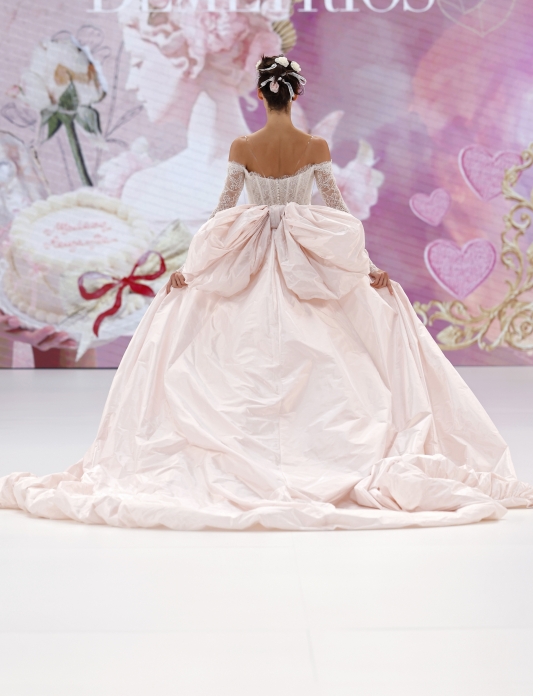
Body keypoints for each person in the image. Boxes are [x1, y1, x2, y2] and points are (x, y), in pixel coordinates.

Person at [1, 55, 532, 530]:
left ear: (259, 94)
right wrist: (367, 268)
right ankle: (318, 449)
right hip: (306, 255)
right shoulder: (314, 146)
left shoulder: (244, 146)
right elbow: (336, 211)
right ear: (296, 94)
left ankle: (246, 447)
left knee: (234, 351)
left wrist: (192, 267)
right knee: (330, 350)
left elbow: (224, 212)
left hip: (248, 253)